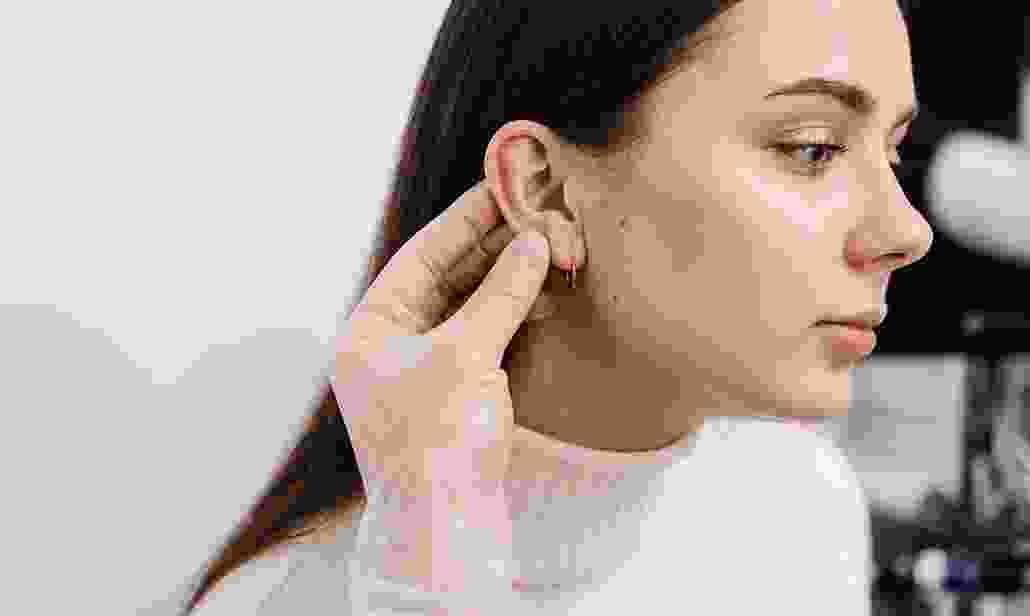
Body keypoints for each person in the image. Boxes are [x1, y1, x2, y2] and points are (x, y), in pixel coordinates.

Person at [180, 0, 932, 613]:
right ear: (546, 191)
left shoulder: (802, 505)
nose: (907, 231)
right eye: (812, 148)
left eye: (893, 151)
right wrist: (435, 564)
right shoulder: (284, 601)